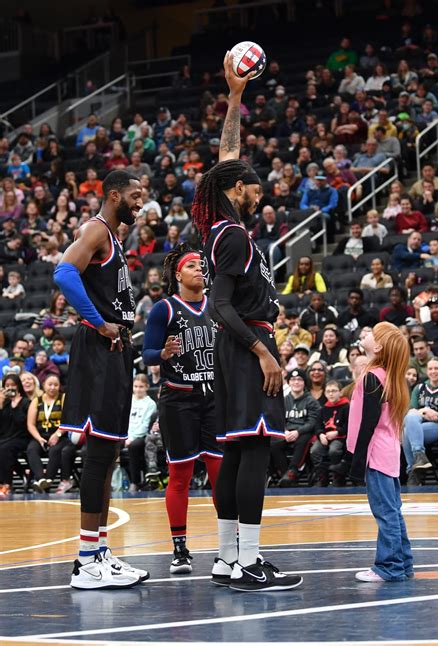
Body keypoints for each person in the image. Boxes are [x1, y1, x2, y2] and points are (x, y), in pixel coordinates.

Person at [191, 52, 302, 592]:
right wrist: (263, 352)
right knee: (254, 449)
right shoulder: (233, 234)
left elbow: (226, 157)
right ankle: (249, 562)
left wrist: (235, 97)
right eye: (255, 187)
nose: (261, 193)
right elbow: (222, 305)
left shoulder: (219, 223)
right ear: (239, 189)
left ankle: (227, 557)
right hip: (246, 342)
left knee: (236, 450)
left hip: (233, 347)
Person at [53, 170, 148, 589]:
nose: (140, 202)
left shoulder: (111, 235)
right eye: (134, 195)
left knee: (109, 454)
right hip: (99, 350)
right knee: (97, 455)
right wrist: (99, 323)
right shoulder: (95, 229)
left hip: (116, 350)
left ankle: (100, 552)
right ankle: (86, 561)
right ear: (113, 195)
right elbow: (63, 274)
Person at [142, 243, 222, 572]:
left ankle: (230, 546)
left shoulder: (218, 305)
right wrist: (161, 354)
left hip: (215, 397)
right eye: (192, 266)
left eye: (202, 265)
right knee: (180, 475)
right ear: (178, 275)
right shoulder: (164, 310)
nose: (200, 269)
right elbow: (147, 353)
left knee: (221, 473)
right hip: (178, 398)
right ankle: (179, 548)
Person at [346, 322, 413, 581]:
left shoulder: (374, 376)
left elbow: (369, 422)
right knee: (393, 510)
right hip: (387, 452)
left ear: (379, 345)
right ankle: (404, 563)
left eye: (372, 333)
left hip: (377, 455)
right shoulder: (386, 375)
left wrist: (357, 460)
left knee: (386, 512)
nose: (367, 334)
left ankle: (389, 567)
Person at [403, 357, 438, 485]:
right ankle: (419, 458)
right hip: (418, 425)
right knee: (409, 422)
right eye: (430, 369)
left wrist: (422, 412)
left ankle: (413, 471)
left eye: (436, 368)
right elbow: (412, 409)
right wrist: (427, 411)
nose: (433, 371)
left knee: (407, 431)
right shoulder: (419, 388)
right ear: (426, 371)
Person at [270, 368, 321, 487]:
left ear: (304, 383)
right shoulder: (282, 400)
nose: (296, 382)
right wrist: (284, 431)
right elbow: (277, 419)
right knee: (274, 443)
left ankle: (292, 471)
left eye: (299, 379)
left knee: (304, 440)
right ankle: (285, 474)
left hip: (304, 432)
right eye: (293, 380)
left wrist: (298, 432)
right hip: (286, 432)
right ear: (288, 383)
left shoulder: (311, 401)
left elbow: (313, 421)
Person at [26, 373, 65, 492]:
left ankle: (48, 480)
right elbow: (30, 424)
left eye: (56, 385)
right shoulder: (36, 401)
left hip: (59, 435)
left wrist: (57, 434)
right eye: (50, 384)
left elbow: (69, 421)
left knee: (55, 450)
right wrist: (38, 438)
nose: (52, 387)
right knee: (31, 449)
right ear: (44, 385)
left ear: (59, 386)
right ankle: (41, 479)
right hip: (41, 435)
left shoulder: (63, 398)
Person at [310, 380, 350, 487]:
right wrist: (320, 434)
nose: (331, 394)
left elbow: (349, 425)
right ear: (325, 393)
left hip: (340, 436)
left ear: (340, 392)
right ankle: (322, 477)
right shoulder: (323, 409)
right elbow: (318, 425)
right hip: (325, 437)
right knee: (315, 450)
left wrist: (337, 432)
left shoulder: (346, 407)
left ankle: (338, 477)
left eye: (334, 391)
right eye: (328, 391)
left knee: (334, 450)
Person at [0, 374, 31, 497]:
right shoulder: (3, 402)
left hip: (21, 438)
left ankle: (7, 483)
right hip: (5, 437)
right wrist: (1, 405)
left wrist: (15, 406)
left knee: (4, 449)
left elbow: (22, 423)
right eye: (7, 385)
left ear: (18, 386)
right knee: (3, 447)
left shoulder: (25, 402)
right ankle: (21, 472)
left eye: (13, 385)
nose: (10, 388)